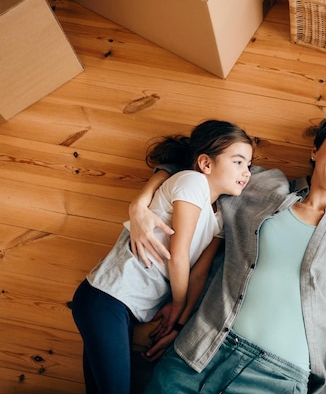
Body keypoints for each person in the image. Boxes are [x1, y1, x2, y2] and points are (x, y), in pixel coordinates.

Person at [130, 116, 326, 394]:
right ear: (315, 151)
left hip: (279, 379)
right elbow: (195, 160)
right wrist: (139, 204)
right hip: (199, 352)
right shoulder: (262, 185)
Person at [71, 120, 253, 394]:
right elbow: (177, 256)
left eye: (249, 165)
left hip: (126, 309)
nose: (246, 172)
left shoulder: (219, 219)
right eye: (238, 162)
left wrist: (180, 321)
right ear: (205, 163)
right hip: (108, 297)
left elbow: (199, 275)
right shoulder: (192, 183)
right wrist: (178, 303)